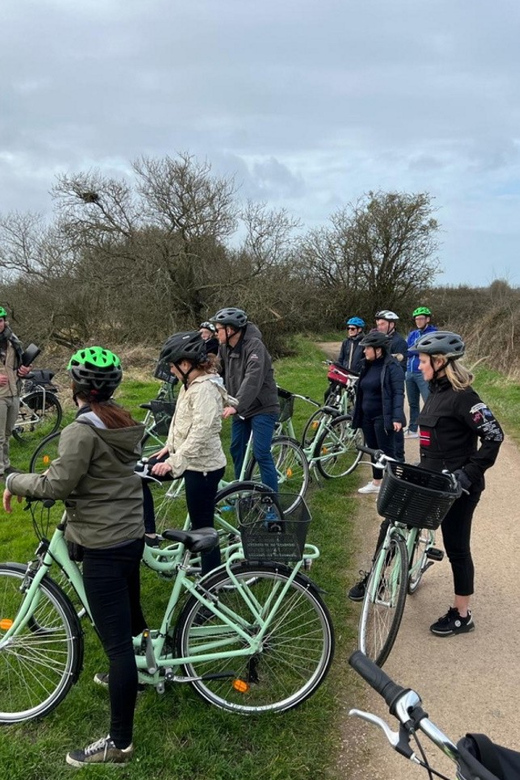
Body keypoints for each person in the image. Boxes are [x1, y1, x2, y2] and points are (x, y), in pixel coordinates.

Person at [3, 347, 146, 766]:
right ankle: (141, 674)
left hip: (103, 544)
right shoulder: (119, 419)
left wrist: (13, 479)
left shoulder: (82, 430)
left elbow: (55, 486)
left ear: (76, 387)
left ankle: (119, 744)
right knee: (133, 621)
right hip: (129, 534)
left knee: (116, 647)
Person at [415, 331, 503, 636]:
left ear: (440, 362)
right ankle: (381, 577)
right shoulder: (435, 392)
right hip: (432, 480)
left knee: (456, 547)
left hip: (459, 488)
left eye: (423, 361)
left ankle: (462, 615)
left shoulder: (465, 397)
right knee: (399, 520)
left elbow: (494, 436)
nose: (419, 367)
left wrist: (467, 474)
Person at [141, 331, 232, 574]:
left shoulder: (205, 390)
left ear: (185, 364)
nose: (170, 370)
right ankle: (149, 534)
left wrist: (174, 461)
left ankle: (213, 584)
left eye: (172, 365)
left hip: (203, 467)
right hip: (184, 458)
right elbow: (183, 422)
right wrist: (169, 448)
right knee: (137, 474)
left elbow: (201, 432)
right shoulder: (189, 384)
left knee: (202, 530)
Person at [210, 307, 279, 492]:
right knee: (237, 449)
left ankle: (271, 505)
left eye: (218, 329)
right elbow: (216, 371)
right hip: (240, 407)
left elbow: (253, 378)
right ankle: (243, 494)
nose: (216, 334)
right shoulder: (225, 347)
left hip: (263, 406)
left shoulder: (255, 346)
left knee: (261, 453)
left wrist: (236, 405)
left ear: (230, 330)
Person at [351, 331, 405, 495]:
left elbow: (398, 393)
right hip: (367, 416)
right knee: (373, 450)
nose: (364, 351)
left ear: (378, 350)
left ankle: (391, 488)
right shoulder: (366, 365)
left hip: (383, 416)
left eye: (367, 348)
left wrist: (396, 417)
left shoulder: (392, 366)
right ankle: (376, 482)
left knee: (387, 452)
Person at [0, 306, 33, 478]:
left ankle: (6, 466)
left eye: (0, 320)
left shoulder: (13, 340)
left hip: (13, 392)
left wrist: (25, 370)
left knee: (7, 433)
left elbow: (19, 364)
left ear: (4, 321)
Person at [375, 310, 407, 460]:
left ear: (392, 324)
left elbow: (401, 367)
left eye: (382, 324)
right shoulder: (378, 339)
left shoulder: (399, 342)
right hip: (379, 389)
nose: (379, 326)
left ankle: (399, 460)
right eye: (378, 324)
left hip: (392, 389)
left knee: (396, 421)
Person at [405, 306, 437, 438]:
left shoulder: (433, 333)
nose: (418, 321)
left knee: (429, 401)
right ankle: (412, 428)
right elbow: (407, 350)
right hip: (410, 371)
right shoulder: (413, 334)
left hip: (423, 372)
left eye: (421, 318)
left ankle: (431, 429)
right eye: (416, 319)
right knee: (412, 403)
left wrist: (413, 350)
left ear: (427, 319)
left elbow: (425, 349)